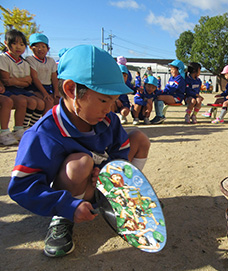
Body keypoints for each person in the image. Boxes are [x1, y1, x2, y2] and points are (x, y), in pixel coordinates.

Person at [7, 45, 151, 258]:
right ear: (71, 89)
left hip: (97, 185)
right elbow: (22, 186)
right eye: (103, 100)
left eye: (113, 101)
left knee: (138, 138)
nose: (109, 109)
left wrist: (107, 169)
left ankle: (123, 198)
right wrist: (67, 205)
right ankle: (62, 219)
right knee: (79, 163)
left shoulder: (107, 120)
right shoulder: (43, 134)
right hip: (69, 191)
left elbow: (121, 150)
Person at [0, 29, 46, 139]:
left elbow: (28, 82)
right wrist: (20, 80)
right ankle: (5, 132)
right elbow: (6, 80)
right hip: (8, 90)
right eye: (14, 43)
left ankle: (26, 128)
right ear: (6, 43)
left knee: (39, 103)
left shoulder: (24, 63)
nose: (18, 47)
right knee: (21, 101)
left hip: (20, 90)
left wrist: (14, 80)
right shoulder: (3, 58)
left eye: (21, 44)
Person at [26, 33, 60, 113]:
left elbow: (54, 78)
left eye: (43, 46)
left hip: (49, 88)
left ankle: (55, 123)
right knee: (48, 101)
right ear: (31, 48)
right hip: (35, 88)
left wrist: (56, 91)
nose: (40, 49)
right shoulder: (30, 59)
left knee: (59, 101)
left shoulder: (51, 61)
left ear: (48, 49)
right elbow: (35, 78)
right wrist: (45, 93)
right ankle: (44, 124)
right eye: (37, 46)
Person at [151, 59, 185, 124]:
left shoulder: (180, 78)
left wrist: (163, 92)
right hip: (171, 95)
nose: (171, 71)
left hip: (177, 98)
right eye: (171, 69)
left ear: (179, 70)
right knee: (157, 97)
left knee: (159, 97)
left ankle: (160, 116)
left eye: (173, 69)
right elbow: (167, 87)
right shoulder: (171, 78)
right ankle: (159, 115)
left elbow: (172, 89)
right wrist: (160, 92)